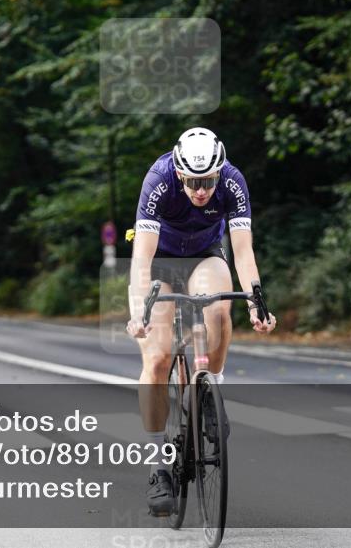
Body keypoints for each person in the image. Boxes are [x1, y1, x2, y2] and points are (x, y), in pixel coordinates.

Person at [125, 127, 276, 516]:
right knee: (157, 360)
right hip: (160, 261)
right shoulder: (159, 179)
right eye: (193, 182)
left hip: (206, 254)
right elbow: (141, 258)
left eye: (208, 180)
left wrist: (257, 301)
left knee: (220, 308)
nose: (201, 190)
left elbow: (242, 253)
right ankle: (159, 468)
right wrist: (138, 310)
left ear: (219, 171)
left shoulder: (232, 181)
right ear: (179, 174)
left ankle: (211, 393)